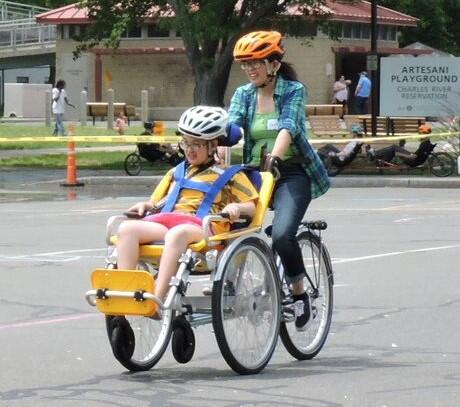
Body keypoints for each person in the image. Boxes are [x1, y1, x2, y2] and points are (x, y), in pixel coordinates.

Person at [226, 30, 330, 331]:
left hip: (291, 173)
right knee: (228, 223)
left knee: (283, 234)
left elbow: (289, 126)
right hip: (254, 176)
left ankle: (299, 295)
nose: (250, 69)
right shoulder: (243, 94)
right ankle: (228, 284)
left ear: (273, 63)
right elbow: (232, 129)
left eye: (255, 62)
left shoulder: (293, 90)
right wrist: (220, 145)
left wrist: (275, 157)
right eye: (245, 64)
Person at [116, 106, 259, 304]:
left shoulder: (232, 175)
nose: (189, 149)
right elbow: (154, 202)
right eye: (186, 143)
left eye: (197, 144)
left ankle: (158, 298)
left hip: (203, 228)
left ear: (212, 145)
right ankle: (125, 296)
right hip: (168, 223)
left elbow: (251, 207)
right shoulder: (177, 172)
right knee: (127, 228)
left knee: (177, 234)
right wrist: (145, 205)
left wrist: (237, 208)